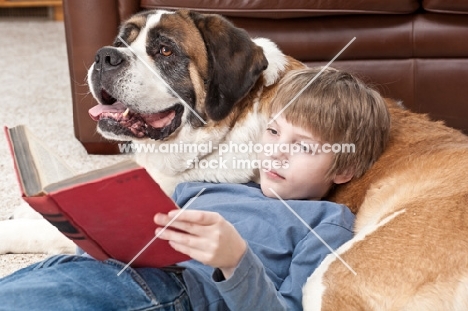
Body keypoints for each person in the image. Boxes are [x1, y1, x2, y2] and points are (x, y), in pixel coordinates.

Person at [0, 67, 390, 310]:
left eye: (302, 146)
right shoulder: (212, 187)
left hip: (167, 290)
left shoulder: (327, 223)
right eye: (273, 132)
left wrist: (236, 260)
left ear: (346, 168)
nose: (277, 153)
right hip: (93, 268)